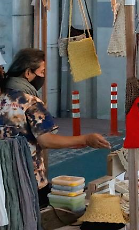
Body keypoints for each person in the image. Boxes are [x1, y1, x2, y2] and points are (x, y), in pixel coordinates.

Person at [0, 48, 111, 207]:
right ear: (28, 73)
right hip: (28, 179)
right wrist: (86, 139)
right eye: (42, 71)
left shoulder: (2, 96)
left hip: (2, 179)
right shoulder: (29, 101)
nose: (44, 77)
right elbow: (46, 140)